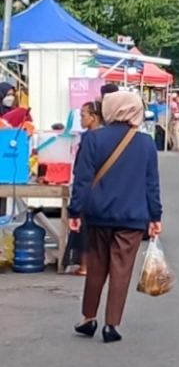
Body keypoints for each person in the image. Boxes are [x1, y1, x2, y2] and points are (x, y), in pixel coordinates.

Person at [68, 91, 161, 343]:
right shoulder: (146, 143)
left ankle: (88, 318)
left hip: (98, 215)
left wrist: (74, 211)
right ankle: (112, 324)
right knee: (121, 269)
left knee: (96, 266)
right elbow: (151, 184)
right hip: (132, 218)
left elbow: (83, 179)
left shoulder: (94, 139)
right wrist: (155, 217)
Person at [66, 101, 105, 276]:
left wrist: (74, 205)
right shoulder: (102, 137)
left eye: (83, 115)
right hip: (99, 189)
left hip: (88, 189)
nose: (81, 119)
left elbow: (82, 171)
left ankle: (85, 266)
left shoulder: (91, 138)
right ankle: (88, 265)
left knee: (84, 231)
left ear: (94, 117)